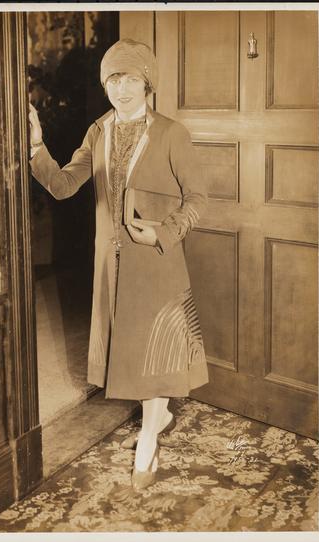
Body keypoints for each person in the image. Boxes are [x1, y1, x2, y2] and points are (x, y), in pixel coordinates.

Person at [29, 38, 209, 491]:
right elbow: (64, 185)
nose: (121, 89)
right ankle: (158, 416)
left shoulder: (171, 133)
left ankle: (149, 438)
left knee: (155, 351)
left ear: (147, 83)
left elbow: (197, 199)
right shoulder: (99, 131)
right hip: (110, 264)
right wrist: (36, 147)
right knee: (130, 351)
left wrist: (164, 232)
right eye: (113, 79)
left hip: (156, 260)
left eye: (130, 79)